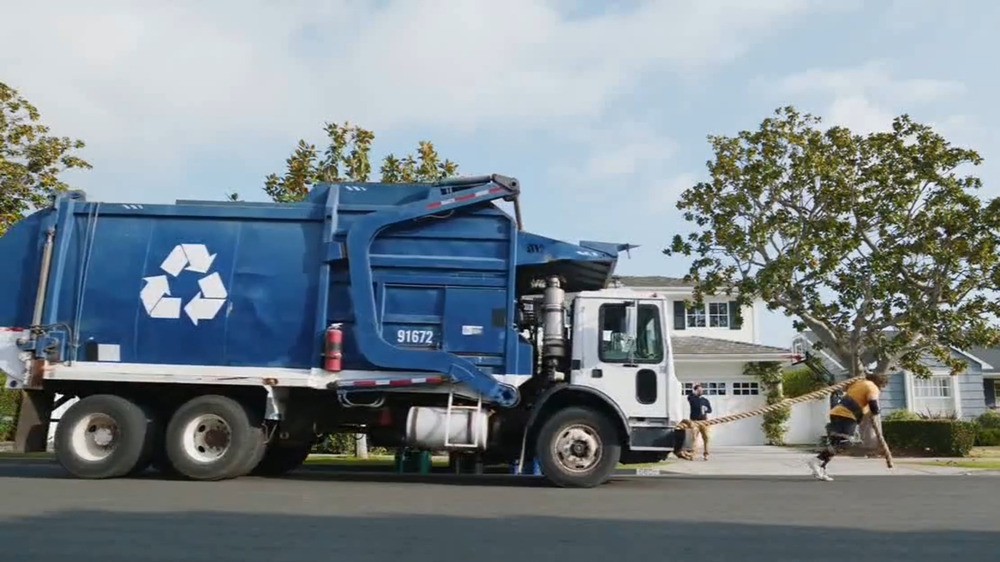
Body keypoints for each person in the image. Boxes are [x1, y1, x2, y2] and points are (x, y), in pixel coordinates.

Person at [809, 373, 889, 481]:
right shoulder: (872, 387)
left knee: (836, 444)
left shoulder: (859, 383)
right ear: (880, 383)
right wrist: (876, 412)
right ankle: (817, 460)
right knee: (845, 443)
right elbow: (873, 403)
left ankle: (821, 467)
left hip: (837, 413)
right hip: (847, 416)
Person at [687, 383, 713, 460]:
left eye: (701, 390)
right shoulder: (692, 398)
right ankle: (693, 455)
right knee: (694, 438)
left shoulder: (705, 400)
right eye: (699, 390)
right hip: (694, 421)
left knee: (706, 438)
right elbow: (689, 396)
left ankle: (706, 454)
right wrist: (693, 390)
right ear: (695, 391)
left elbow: (710, 410)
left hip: (704, 421)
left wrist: (706, 409)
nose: (700, 391)